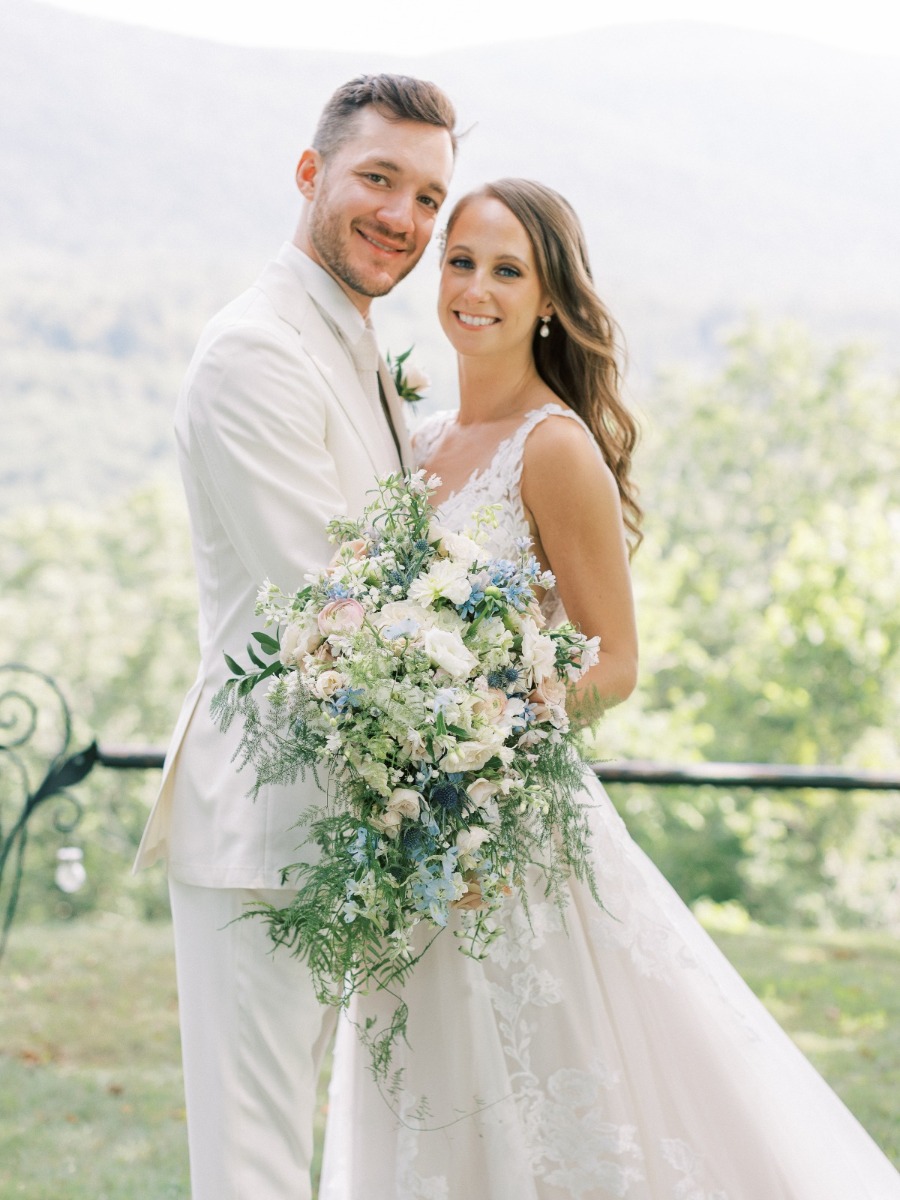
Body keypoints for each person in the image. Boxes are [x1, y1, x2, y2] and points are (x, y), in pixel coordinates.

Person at [318, 180, 900, 1199]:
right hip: (413, 834)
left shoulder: (553, 448)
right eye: (462, 262)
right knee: (429, 1085)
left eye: (509, 271)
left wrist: (488, 734)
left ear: (549, 299)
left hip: (513, 829)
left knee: (554, 1093)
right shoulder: (413, 443)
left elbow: (616, 659)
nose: (477, 289)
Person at [132, 74, 457, 1200]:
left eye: (427, 196)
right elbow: (330, 607)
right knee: (256, 1169)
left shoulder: (352, 345)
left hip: (351, 819)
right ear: (312, 173)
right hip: (265, 824)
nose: (404, 220)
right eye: (379, 179)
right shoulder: (255, 354)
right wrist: (491, 676)